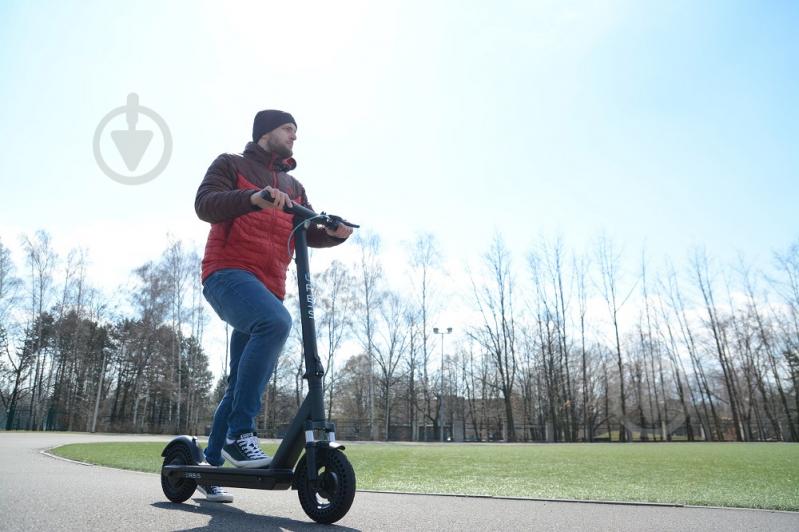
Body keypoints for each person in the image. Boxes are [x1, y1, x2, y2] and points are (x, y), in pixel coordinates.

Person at [193, 110, 353, 502]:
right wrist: (253, 198)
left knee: (237, 383)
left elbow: (307, 227)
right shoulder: (230, 164)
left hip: (267, 287)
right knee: (275, 324)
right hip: (227, 273)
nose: (294, 137)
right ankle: (240, 433)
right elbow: (205, 204)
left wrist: (332, 232)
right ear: (266, 132)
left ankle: (210, 465)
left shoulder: (293, 186)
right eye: (288, 129)